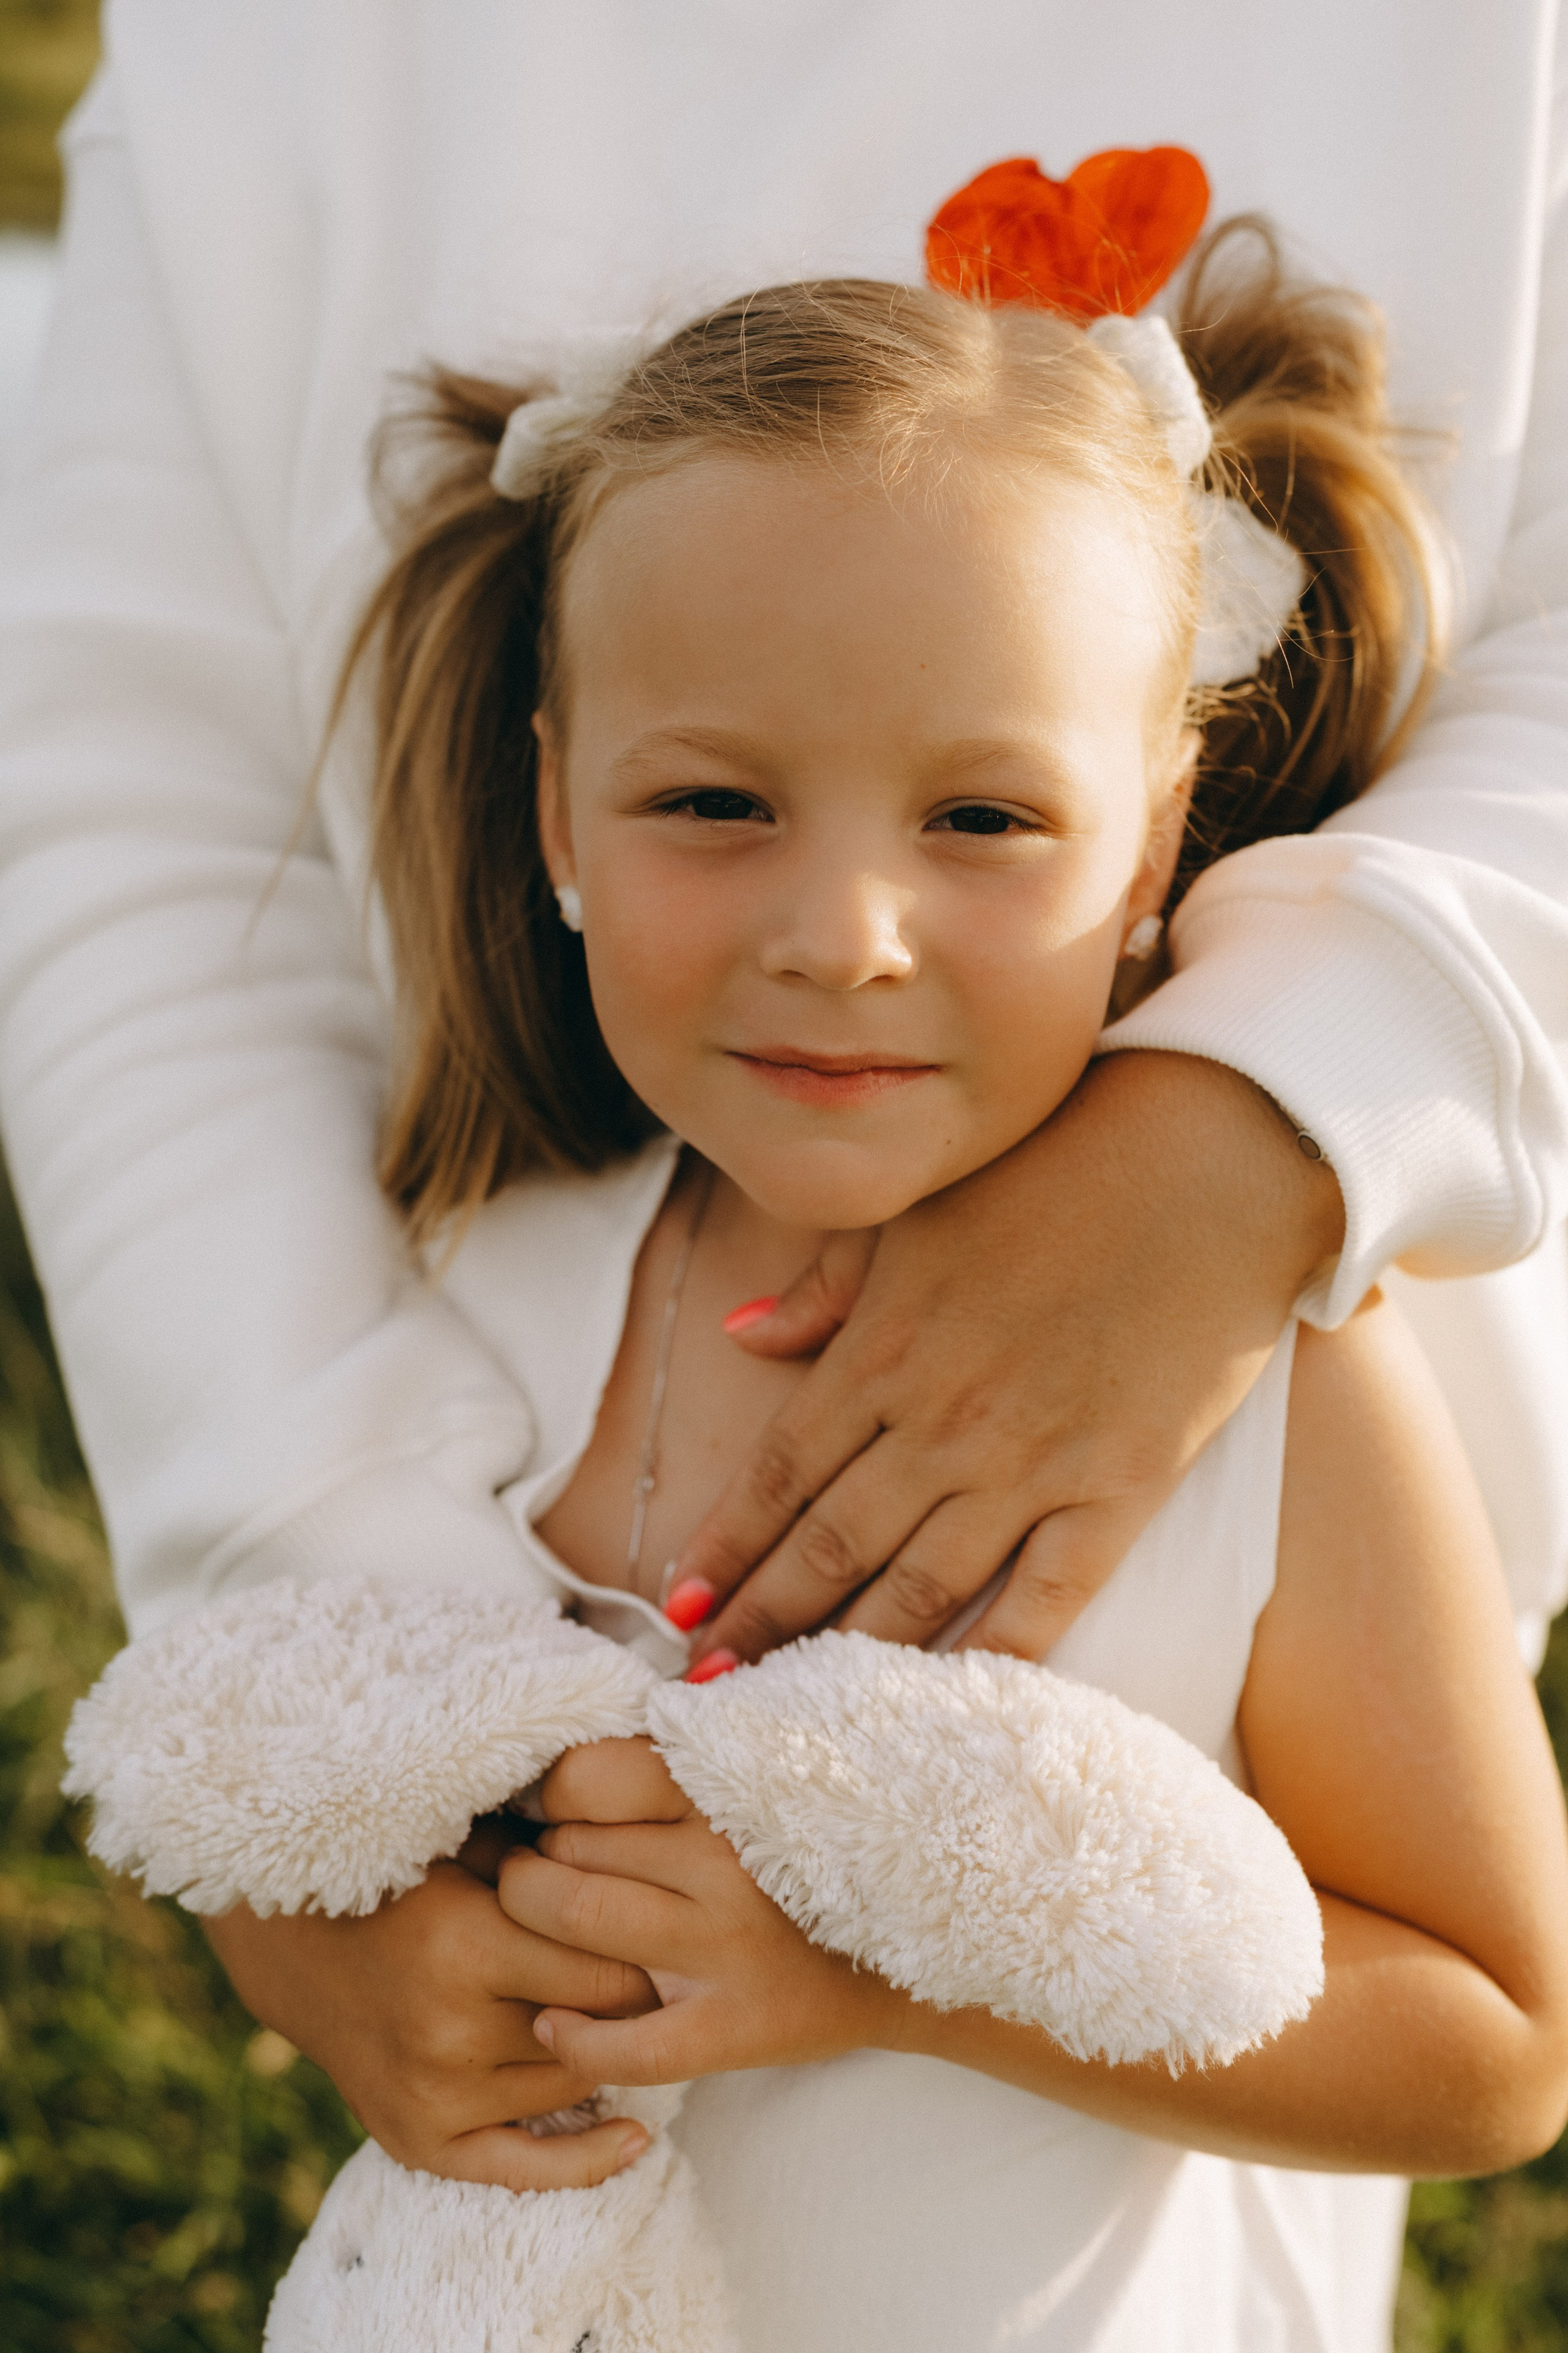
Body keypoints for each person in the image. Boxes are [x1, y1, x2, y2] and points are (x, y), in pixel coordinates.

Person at [1, 0, 1566, 2299]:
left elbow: (1501, 2031)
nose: (843, 938)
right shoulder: (481, 1274)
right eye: (713, 804)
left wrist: (884, 1975)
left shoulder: (1292, 1395)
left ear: (1158, 855)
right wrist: (303, 1903)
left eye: (987, 821)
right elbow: (262, 1743)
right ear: (554, 803)